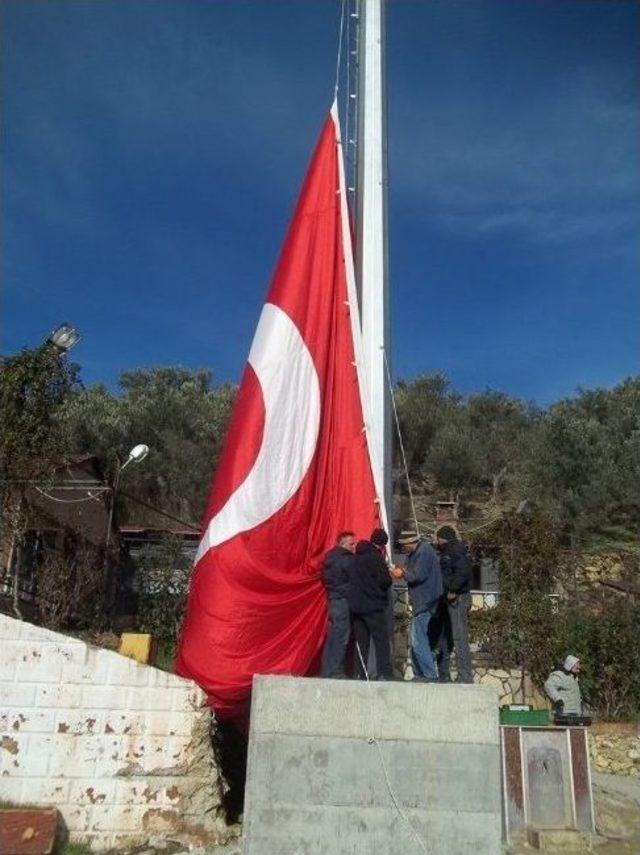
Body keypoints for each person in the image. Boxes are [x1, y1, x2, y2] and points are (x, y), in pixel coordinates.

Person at [396, 533, 443, 682]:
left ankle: (428, 674)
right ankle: (420, 673)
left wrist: (402, 573)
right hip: (421, 602)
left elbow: (417, 575)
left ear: (411, 542)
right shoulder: (416, 553)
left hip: (426, 601)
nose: (402, 548)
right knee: (416, 638)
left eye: (404, 545)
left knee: (418, 639)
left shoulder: (424, 552)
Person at [349, 528, 394, 680]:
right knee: (381, 640)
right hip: (373, 605)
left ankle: (360, 674)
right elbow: (385, 580)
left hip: (356, 606)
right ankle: (385, 673)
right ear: (382, 544)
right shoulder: (376, 557)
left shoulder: (356, 557)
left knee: (361, 642)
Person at [435, 526, 474, 684]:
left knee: (459, 637)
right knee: (450, 637)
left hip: (457, 597)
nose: (436, 541)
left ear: (442, 538)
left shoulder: (454, 551)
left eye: (437, 538)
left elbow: (463, 572)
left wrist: (452, 589)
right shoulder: (449, 551)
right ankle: (452, 674)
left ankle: (465, 675)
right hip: (450, 597)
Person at [321, 531, 356, 678]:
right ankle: (335, 671)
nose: (354, 547)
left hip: (333, 599)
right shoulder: (346, 559)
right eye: (351, 544)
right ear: (342, 544)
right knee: (341, 636)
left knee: (334, 635)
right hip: (343, 600)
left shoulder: (329, 558)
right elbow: (354, 579)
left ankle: (328, 669)